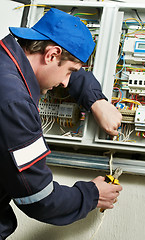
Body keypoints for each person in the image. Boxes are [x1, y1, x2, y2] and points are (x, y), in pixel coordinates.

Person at [0, 8, 122, 239]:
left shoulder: (6, 60)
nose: (66, 82)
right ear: (51, 54)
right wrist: (93, 194)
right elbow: (39, 198)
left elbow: (63, 69)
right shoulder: (14, 104)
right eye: (70, 71)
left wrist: (96, 100)